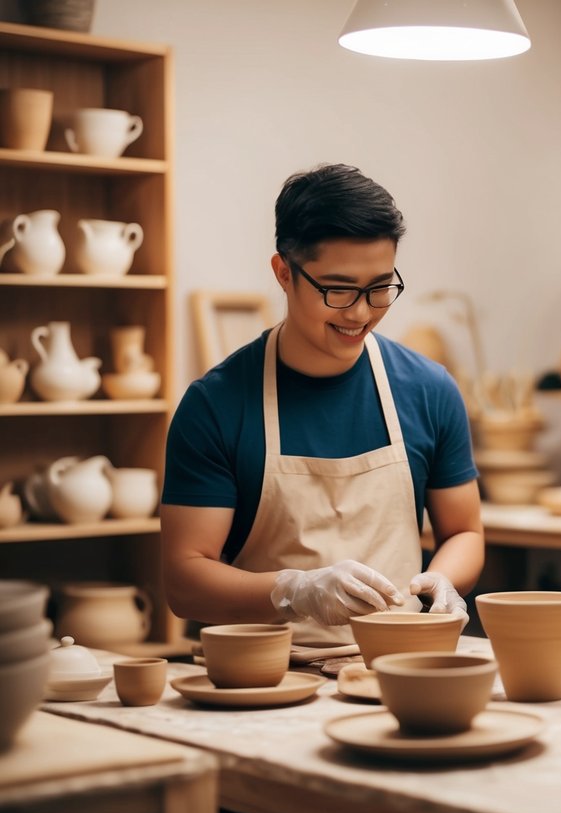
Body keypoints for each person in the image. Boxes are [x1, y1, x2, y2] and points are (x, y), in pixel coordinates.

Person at [161, 163, 484, 645]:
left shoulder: (429, 390)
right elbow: (185, 582)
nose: (360, 313)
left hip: (400, 665)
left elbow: (464, 532)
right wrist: (294, 590)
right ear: (283, 273)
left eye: (379, 288)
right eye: (337, 290)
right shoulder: (217, 405)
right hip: (268, 677)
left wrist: (444, 581)